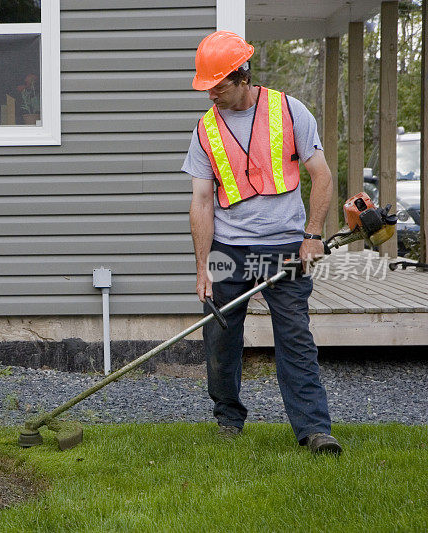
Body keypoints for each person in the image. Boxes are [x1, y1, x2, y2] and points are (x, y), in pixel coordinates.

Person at [182, 31, 342, 455]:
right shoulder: (205, 131)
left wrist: (312, 236)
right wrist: (202, 268)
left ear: (242, 77)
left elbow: (321, 175)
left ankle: (313, 430)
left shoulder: (289, 111)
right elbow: (200, 201)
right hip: (227, 253)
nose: (212, 94)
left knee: (294, 338)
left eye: (218, 86)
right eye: (207, 87)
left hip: (286, 245)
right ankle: (228, 420)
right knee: (219, 338)